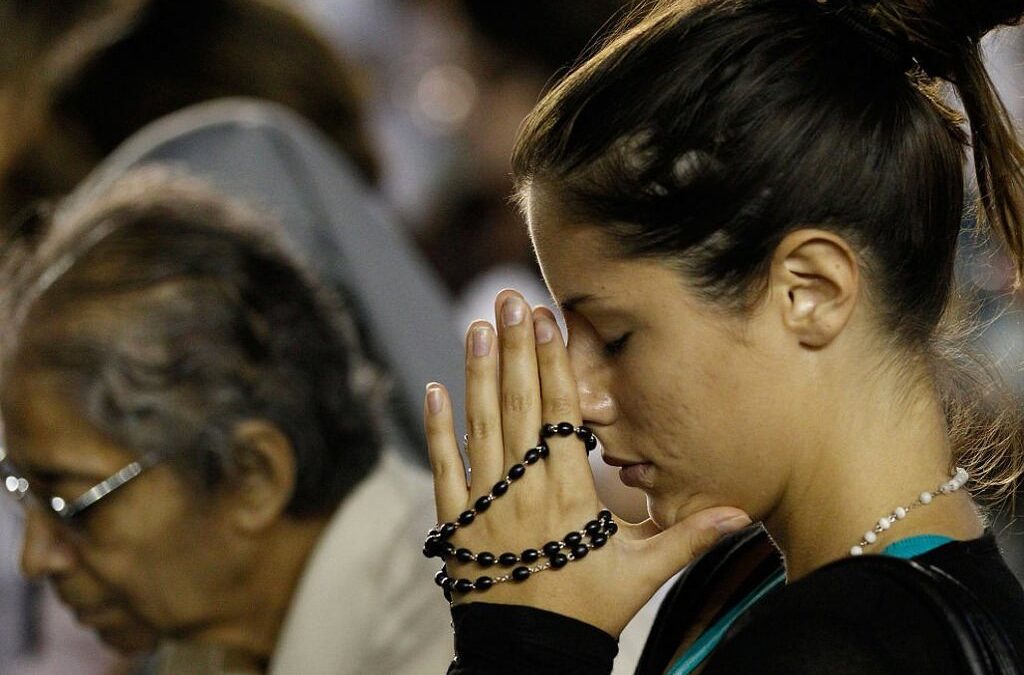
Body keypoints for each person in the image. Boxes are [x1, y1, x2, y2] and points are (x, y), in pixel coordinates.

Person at [420, 0, 1024, 672]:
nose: (581, 397)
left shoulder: (850, 652)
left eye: (616, 337)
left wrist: (527, 647)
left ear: (811, 292)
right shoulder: (752, 562)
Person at [0, 168, 453, 674]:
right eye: (22, 491)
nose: (35, 558)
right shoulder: (213, 643)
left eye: (71, 504)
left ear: (253, 474)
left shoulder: (453, 636)